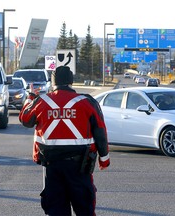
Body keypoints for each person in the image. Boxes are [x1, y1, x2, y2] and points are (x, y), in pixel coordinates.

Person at [19, 66, 110, 216]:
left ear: (53, 82)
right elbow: (100, 131)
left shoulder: (41, 101)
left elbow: (25, 119)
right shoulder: (87, 102)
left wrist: (30, 98)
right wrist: (104, 158)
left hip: (52, 167)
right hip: (80, 166)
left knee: (56, 209)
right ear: (71, 81)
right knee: (84, 209)